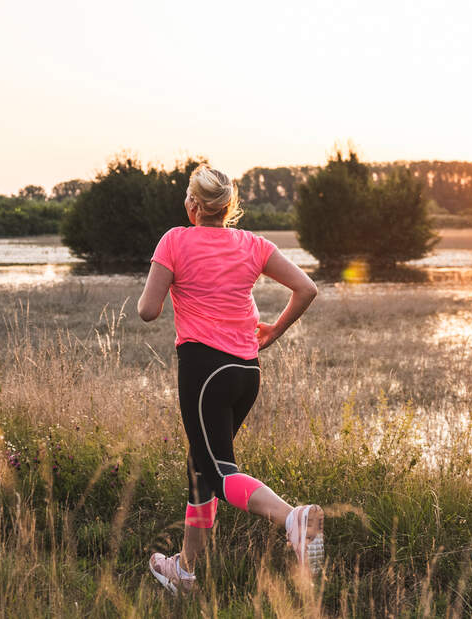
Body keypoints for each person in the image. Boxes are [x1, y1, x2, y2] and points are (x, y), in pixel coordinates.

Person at [138, 164, 323, 594]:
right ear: (228, 207)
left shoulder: (175, 240)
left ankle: (292, 519)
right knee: (200, 467)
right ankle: (184, 570)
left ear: (194, 205)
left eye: (188, 196)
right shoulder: (253, 244)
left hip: (205, 372)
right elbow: (307, 288)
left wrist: (169, 280)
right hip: (246, 372)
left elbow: (148, 311)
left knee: (219, 473)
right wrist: (274, 330)